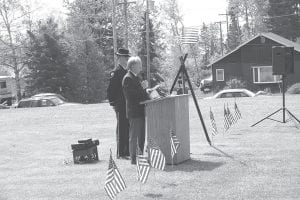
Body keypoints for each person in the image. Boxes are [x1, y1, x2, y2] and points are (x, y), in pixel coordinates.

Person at [122, 56, 150, 164]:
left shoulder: (136, 77)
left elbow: (141, 94)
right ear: (133, 66)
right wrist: (142, 88)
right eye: (139, 65)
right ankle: (134, 159)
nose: (141, 67)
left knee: (142, 136)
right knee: (134, 137)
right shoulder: (128, 78)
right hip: (134, 112)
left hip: (141, 111)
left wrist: (147, 91)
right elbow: (131, 96)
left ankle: (141, 156)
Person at [107, 48, 130, 159]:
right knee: (122, 128)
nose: (127, 59)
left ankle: (127, 151)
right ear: (119, 58)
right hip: (120, 104)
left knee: (127, 127)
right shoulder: (116, 72)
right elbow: (111, 90)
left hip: (127, 104)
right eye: (125, 57)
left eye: (127, 57)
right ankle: (121, 152)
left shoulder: (127, 72)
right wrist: (113, 103)